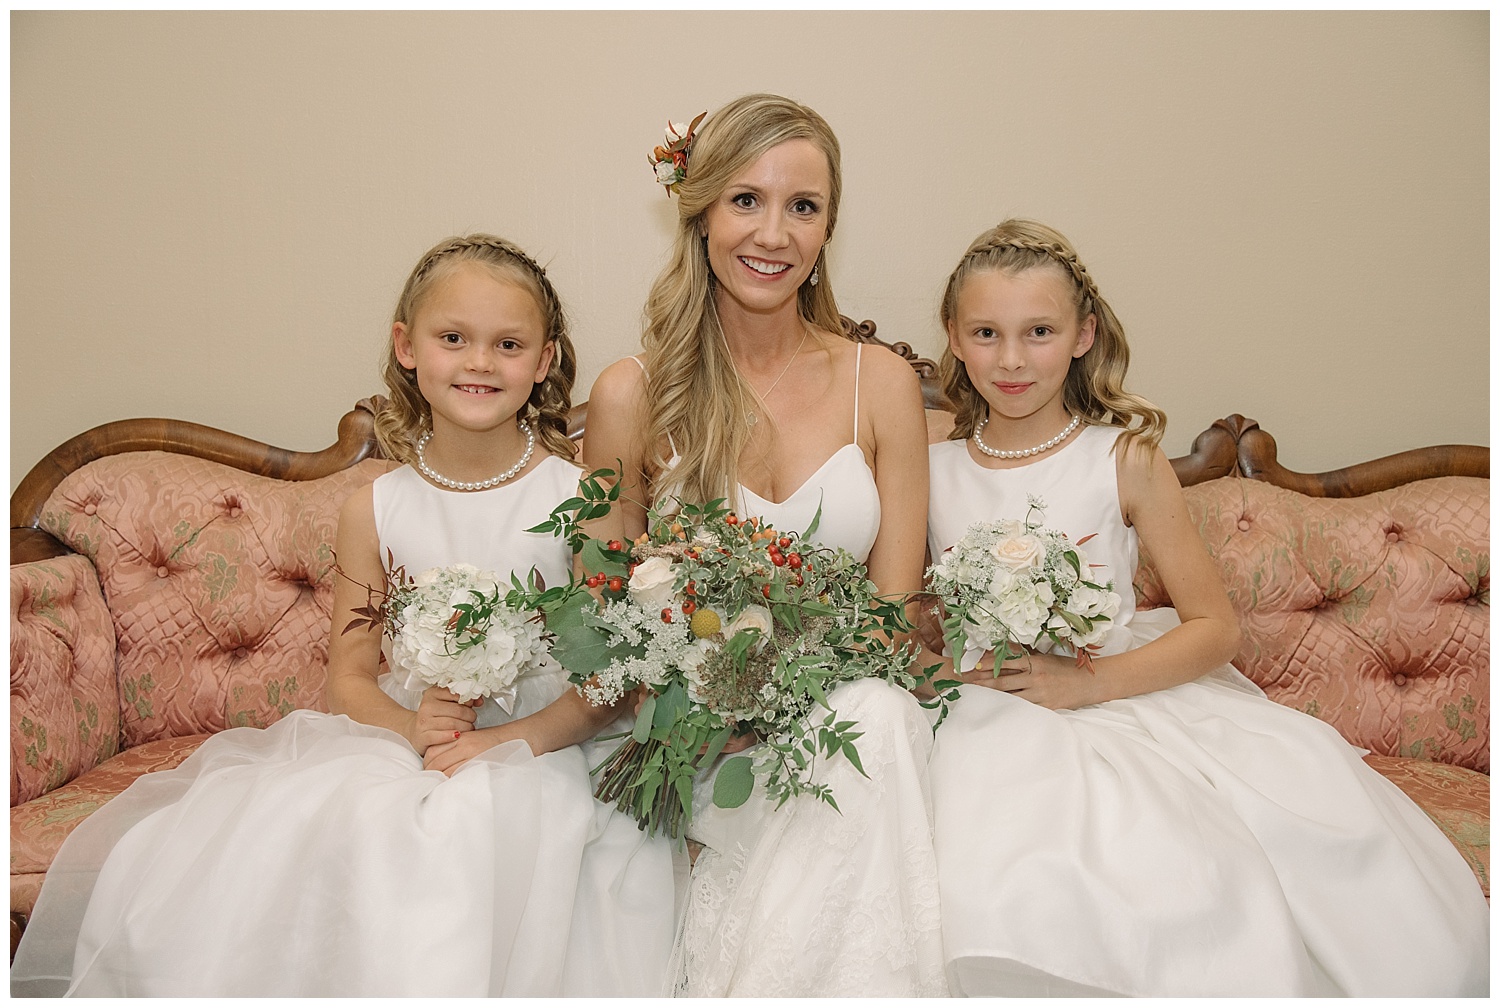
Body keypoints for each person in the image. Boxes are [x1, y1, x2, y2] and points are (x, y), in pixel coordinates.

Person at [11, 235, 680, 997]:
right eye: (453, 338)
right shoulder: (375, 506)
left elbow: (615, 675)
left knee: (475, 827)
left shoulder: (578, 500)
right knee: (339, 825)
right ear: (407, 346)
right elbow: (352, 676)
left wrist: (514, 740)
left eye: (509, 344)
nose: (479, 362)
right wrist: (412, 733)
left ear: (546, 360)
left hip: (547, 745)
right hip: (405, 741)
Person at [922, 218, 1489, 996]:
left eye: (1039, 331)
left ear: (1084, 335)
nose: (1012, 358)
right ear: (953, 336)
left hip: (1110, 691)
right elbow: (910, 613)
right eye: (985, 332)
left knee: (1187, 869)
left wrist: (1088, 683)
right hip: (980, 703)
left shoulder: (1123, 458)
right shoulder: (928, 469)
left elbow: (1215, 629)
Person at [584, 94, 946, 997]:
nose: (773, 234)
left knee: (876, 717)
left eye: (803, 206)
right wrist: (705, 698)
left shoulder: (882, 382)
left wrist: (787, 690)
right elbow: (599, 613)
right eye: (746, 200)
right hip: (694, 741)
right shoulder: (633, 395)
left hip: (847, 720)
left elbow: (894, 615)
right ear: (699, 208)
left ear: (828, 226)